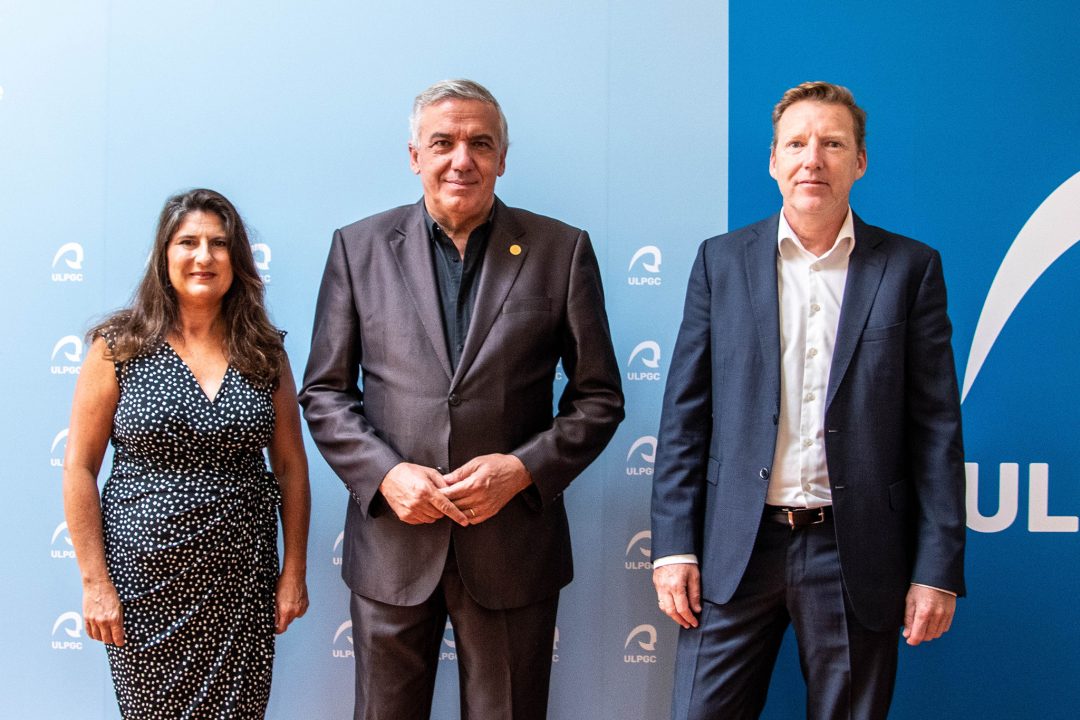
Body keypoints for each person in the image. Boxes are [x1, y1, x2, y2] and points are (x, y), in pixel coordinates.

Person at [300, 78, 624, 720]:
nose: (461, 159)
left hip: (512, 546)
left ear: (503, 157)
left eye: (480, 143)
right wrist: (385, 474)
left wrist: (523, 470)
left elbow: (599, 397)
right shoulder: (358, 248)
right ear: (414, 155)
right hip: (393, 546)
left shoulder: (561, 250)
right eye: (443, 142)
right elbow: (326, 391)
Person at [650, 81, 966, 719]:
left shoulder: (909, 269)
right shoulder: (720, 262)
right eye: (796, 144)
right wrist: (674, 547)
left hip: (855, 552)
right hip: (735, 551)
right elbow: (685, 417)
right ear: (773, 160)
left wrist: (938, 569)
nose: (812, 159)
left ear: (860, 160)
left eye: (832, 144)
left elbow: (936, 430)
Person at [62, 188, 311, 718]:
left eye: (218, 244)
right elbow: (79, 467)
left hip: (241, 580)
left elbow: (290, 468)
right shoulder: (118, 346)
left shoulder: (264, 351)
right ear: (164, 254)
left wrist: (293, 573)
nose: (204, 256)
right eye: (188, 242)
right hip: (144, 583)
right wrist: (95, 583)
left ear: (236, 259)